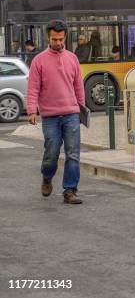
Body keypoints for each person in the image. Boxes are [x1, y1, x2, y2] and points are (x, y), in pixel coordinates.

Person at [27, 20, 85, 205]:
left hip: (71, 114)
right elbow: (33, 88)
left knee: (73, 153)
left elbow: (79, 86)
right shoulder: (39, 61)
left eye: (61, 39)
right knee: (51, 153)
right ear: (48, 38)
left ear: (65, 37)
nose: (58, 43)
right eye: (54, 39)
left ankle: (70, 190)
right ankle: (47, 176)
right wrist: (31, 110)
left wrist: (81, 109)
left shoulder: (72, 58)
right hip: (50, 116)